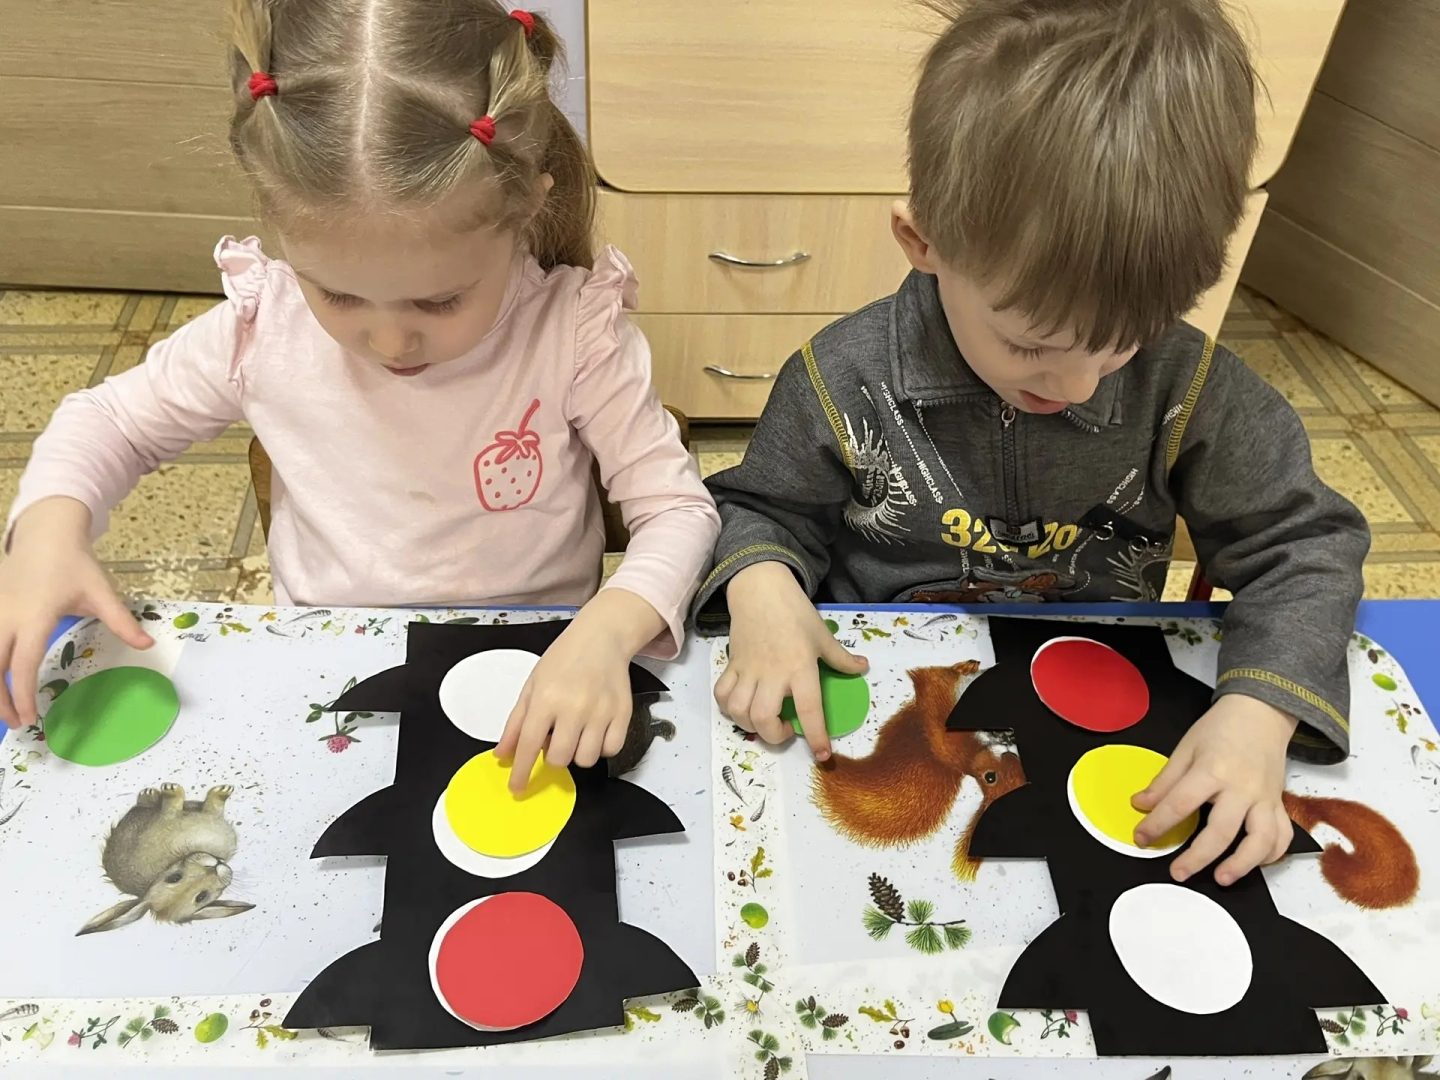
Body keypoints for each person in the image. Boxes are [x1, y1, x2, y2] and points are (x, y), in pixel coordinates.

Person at [698, 0, 1369, 885]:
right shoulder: (840, 376)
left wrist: (1260, 710)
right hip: (884, 702)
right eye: (1032, 346)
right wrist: (762, 584)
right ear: (923, 241)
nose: (1082, 385)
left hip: (1099, 703)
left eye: (1123, 343)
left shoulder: (1191, 384)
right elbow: (757, 507)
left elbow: (1307, 545)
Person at [0, 1, 719, 792]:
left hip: (537, 669)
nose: (390, 342)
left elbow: (676, 510)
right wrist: (46, 533)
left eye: (439, 301)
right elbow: (106, 422)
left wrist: (608, 629)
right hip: (325, 669)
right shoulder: (263, 329)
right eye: (338, 295)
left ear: (526, 210)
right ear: (277, 226)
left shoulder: (573, 334)